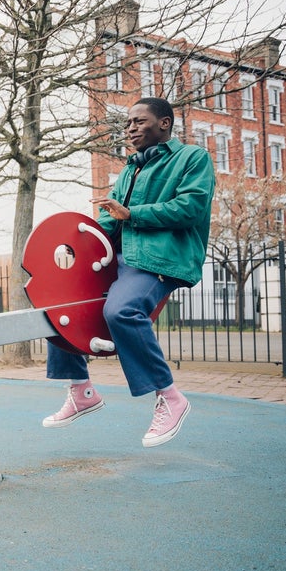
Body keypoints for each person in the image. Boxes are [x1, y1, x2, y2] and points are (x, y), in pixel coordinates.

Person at [41, 97, 215, 447]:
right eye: (128, 124)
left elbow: (192, 207)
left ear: (165, 123)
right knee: (60, 302)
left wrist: (132, 215)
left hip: (160, 259)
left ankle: (169, 396)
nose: (131, 128)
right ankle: (80, 390)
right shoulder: (130, 170)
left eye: (139, 121)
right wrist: (73, 247)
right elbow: (108, 220)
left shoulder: (192, 158)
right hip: (121, 257)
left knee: (121, 310)